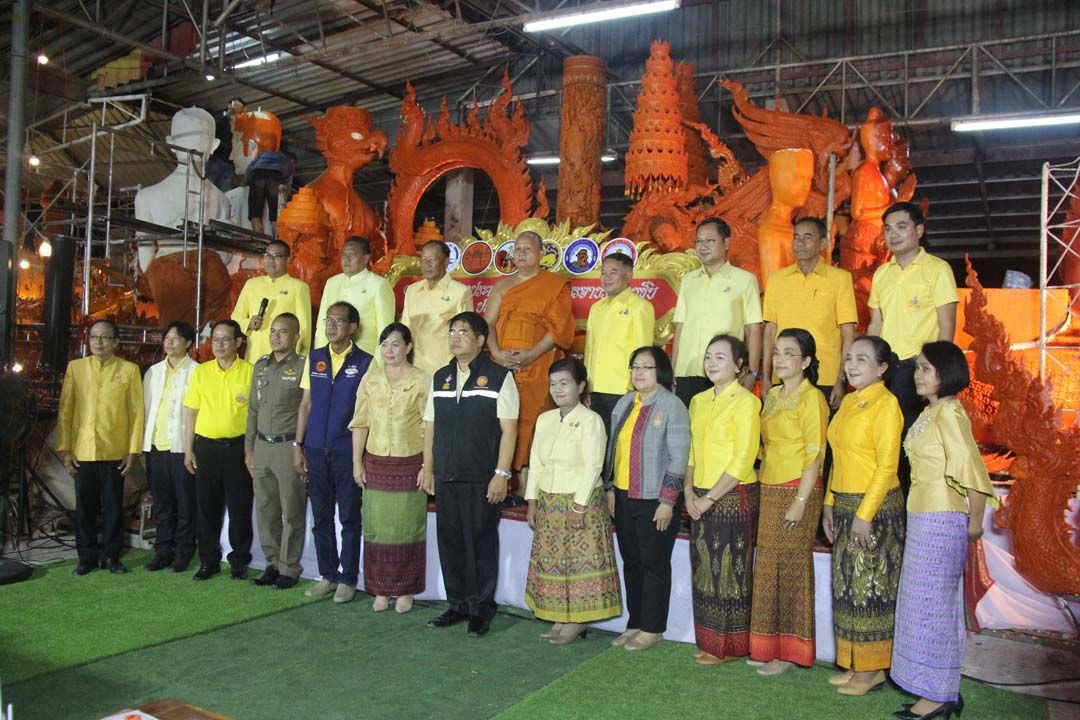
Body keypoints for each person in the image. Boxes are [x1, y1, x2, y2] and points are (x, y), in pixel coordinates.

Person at [891, 342, 997, 720]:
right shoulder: (931, 411)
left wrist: (974, 524)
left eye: (926, 369)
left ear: (946, 372)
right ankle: (938, 688)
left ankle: (937, 696)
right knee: (924, 607)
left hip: (942, 519)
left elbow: (972, 469)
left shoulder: (949, 411)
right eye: (918, 368)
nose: (918, 375)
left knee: (932, 607)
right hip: (923, 515)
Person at [422, 311, 519, 638]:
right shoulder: (440, 378)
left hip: (482, 476)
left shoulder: (499, 377)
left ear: (481, 339)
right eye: (452, 332)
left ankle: (481, 608)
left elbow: (509, 430)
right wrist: (428, 468)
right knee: (450, 541)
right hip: (447, 474)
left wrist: (501, 474)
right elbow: (430, 427)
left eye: (463, 332)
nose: (455, 337)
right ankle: (458, 604)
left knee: (480, 541)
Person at [823, 335, 906, 695]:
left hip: (875, 508)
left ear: (882, 368)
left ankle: (872, 669)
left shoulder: (886, 405)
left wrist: (864, 514)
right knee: (847, 587)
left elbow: (888, 467)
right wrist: (828, 501)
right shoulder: (850, 402)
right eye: (849, 359)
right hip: (843, 503)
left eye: (862, 360)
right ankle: (854, 661)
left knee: (870, 588)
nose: (852, 366)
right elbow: (837, 456)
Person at [748, 328, 829, 675]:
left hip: (799, 488)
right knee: (767, 568)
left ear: (807, 361)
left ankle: (790, 651)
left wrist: (800, 500)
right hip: (769, 485)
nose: (780, 359)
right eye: (776, 352)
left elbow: (816, 453)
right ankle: (767, 646)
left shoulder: (812, 398)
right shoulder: (774, 395)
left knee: (792, 570)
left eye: (789, 353)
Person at [524, 359, 622, 645]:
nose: (557, 389)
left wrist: (579, 506)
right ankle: (560, 615)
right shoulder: (545, 419)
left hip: (582, 501)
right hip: (549, 500)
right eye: (553, 384)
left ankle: (579, 620)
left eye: (564, 383)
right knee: (555, 560)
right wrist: (533, 501)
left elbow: (593, 467)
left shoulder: (591, 420)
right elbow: (536, 463)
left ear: (580, 386)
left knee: (580, 563)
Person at [603, 346, 690, 652]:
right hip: (625, 496)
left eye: (646, 367)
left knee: (654, 563)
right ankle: (635, 622)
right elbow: (613, 451)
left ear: (661, 371)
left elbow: (679, 458)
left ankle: (653, 628)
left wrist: (668, 501)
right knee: (632, 561)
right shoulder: (625, 403)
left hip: (655, 499)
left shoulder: (672, 405)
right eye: (635, 367)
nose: (639, 372)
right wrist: (611, 489)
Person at [868, 202, 958, 489]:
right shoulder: (882, 274)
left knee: (911, 444)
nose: (893, 234)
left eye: (901, 227)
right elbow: (875, 324)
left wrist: (936, 375)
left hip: (917, 370)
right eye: (888, 229)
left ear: (919, 230)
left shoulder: (937, 270)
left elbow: (947, 327)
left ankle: (912, 510)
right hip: (885, 370)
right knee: (881, 442)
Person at [685, 334, 761, 665]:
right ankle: (709, 639)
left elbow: (745, 457)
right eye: (708, 356)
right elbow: (691, 451)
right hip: (699, 494)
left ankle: (729, 646)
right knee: (704, 570)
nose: (712, 363)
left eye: (720, 357)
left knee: (730, 572)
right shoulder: (699, 400)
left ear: (738, 365)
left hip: (732, 495)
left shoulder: (746, 401)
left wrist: (710, 498)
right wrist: (689, 492)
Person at [295, 301, 374, 604]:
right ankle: (327, 575)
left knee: (350, 517)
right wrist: (298, 445)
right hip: (315, 447)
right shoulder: (315, 358)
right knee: (321, 515)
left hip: (346, 449)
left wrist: (360, 456)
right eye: (329, 320)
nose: (332, 326)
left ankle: (348, 578)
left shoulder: (366, 362)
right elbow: (306, 405)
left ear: (353, 327)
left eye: (339, 321)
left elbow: (367, 412)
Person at [349, 323, 430, 614]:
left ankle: (406, 590)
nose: (389, 350)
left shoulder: (422, 380)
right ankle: (380, 590)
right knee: (376, 529)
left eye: (396, 344)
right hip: (377, 463)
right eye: (385, 344)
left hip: (410, 463)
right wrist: (357, 463)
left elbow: (429, 427)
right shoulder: (370, 380)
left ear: (408, 347)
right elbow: (360, 423)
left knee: (407, 529)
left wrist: (427, 466)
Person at [485, 231, 575, 488]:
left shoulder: (554, 285)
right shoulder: (503, 285)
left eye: (527, 248)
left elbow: (558, 330)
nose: (521, 253)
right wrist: (496, 353)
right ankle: (502, 479)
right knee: (501, 418)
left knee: (534, 419)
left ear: (541, 254)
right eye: (517, 249)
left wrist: (531, 355)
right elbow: (489, 323)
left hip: (538, 364)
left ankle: (529, 486)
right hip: (502, 365)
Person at [57, 320, 144, 576]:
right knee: (85, 508)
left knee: (114, 507)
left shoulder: (129, 370)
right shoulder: (76, 368)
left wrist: (132, 451)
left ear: (116, 342)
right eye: (94, 337)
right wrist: (65, 450)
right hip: (82, 451)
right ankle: (86, 557)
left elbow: (137, 413)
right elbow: (65, 411)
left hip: (115, 451)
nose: (98, 342)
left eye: (105, 338)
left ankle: (111, 556)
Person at [182, 320, 255, 581]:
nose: (220, 344)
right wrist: (188, 449)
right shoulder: (201, 372)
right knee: (207, 508)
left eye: (226, 339)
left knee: (239, 508)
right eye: (215, 339)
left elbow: (255, 415)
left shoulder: (250, 371)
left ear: (238, 342)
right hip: (206, 448)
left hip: (238, 449)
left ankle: (239, 561)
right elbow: (191, 412)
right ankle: (208, 561)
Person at [761, 217, 857, 410]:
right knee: (784, 435)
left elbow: (848, 333)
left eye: (807, 237)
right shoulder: (777, 279)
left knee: (819, 435)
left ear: (823, 243)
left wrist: (841, 379)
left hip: (825, 375)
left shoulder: (840, 279)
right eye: (796, 237)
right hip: (784, 372)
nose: (800, 242)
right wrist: (765, 377)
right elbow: (770, 331)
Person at [244, 313, 307, 590]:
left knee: (291, 510)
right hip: (261, 446)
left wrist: (300, 448)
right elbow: (252, 411)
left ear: (296, 337)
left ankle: (289, 568)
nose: (276, 337)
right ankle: (271, 563)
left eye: (283, 332)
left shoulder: (303, 367)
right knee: (266, 509)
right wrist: (249, 449)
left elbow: (307, 410)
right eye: (273, 332)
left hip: (287, 446)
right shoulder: (260, 366)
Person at [672, 218, 763, 406]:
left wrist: (753, 372)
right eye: (699, 241)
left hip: (723, 373)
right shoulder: (688, 281)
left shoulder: (745, 280)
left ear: (726, 243)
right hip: (686, 372)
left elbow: (753, 330)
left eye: (710, 241)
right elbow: (680, 327)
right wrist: (673, 371)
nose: (703, 246)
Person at [142, 320, 200, 572]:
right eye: (167, 337)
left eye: (176, 338)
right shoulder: (153, 371)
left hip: (182, 448)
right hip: (156, 446)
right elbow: (146, 408)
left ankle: (183, 552)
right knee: (162, 503)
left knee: (185, 503)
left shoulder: (198, 371)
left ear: (188, 343)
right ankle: (162, 550)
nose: (169, 341)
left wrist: (193, 447)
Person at [584, 252, 655, 437]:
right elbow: (589, 350)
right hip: (595, 389)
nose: (606, 278)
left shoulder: (640, 307)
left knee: (619, 446)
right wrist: (585, 387)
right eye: (603, 273)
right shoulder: (596, 308)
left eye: (613, 272)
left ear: (629, 275)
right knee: (597, 443)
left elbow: (643, 352)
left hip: (623, 390)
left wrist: (635, 389)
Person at [314, 237, 395, 360]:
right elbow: (321, 325)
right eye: (344, 255)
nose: (346, 259)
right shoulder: (332, 283)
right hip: (332, 357)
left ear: (366, 258)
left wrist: (379, 364)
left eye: (352, 255)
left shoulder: (378, 285)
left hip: (365, 357)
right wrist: (319, 357)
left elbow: (385, 329)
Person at [232, 240, 312, 362]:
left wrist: (300, 360)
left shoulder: (299, 287)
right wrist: (248, 323)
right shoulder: (252, 284)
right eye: (268, 255)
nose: (271, 260)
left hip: (285, 359)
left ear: (288, 260)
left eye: (277, 256)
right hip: (255, 356)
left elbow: (304, 328)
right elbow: (236, 317)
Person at [400, 240, 473, 374]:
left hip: (443, 369)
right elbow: (404, 329)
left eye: (432, 259)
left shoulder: (460, 292)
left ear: (446, 262)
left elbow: (466, 335)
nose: (427, 264)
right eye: (423, 259)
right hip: (412, 368)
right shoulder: (412, 290)